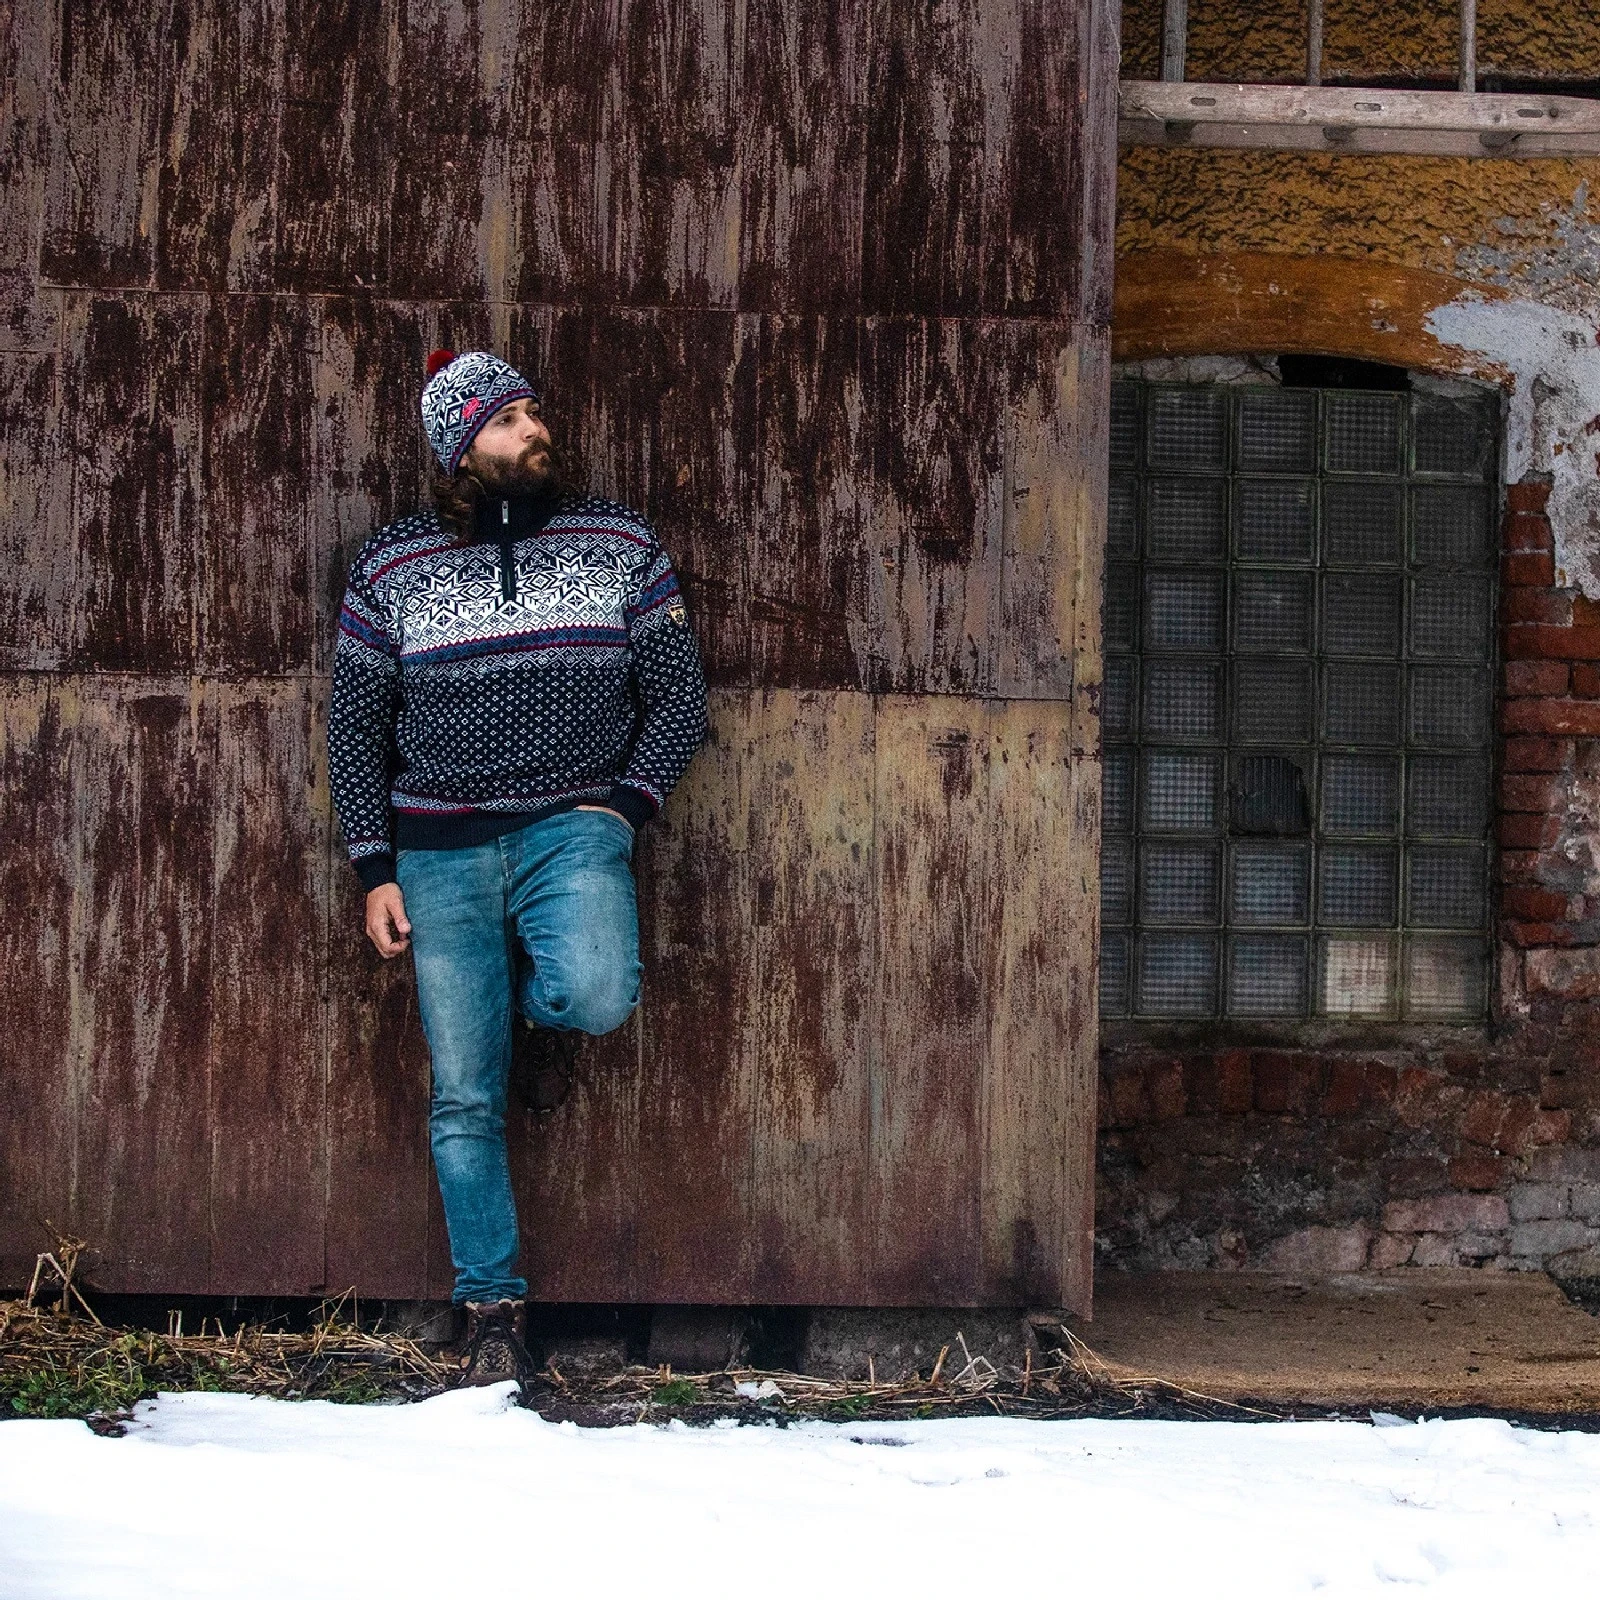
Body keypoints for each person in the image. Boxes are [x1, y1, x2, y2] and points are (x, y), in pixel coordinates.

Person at [327, 348, 709, 1387]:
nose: (533, 429)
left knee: (594, 993)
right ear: (460, 448)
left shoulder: (617, 540)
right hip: (436, 847)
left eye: (533, 410)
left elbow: (679, 696)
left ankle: (533, 1017)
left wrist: (623, 806)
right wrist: (373, 868)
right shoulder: (392, 565)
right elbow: (355, 726)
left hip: (569, 827)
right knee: (463, 1095)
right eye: (505, 419)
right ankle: (491, 1308)